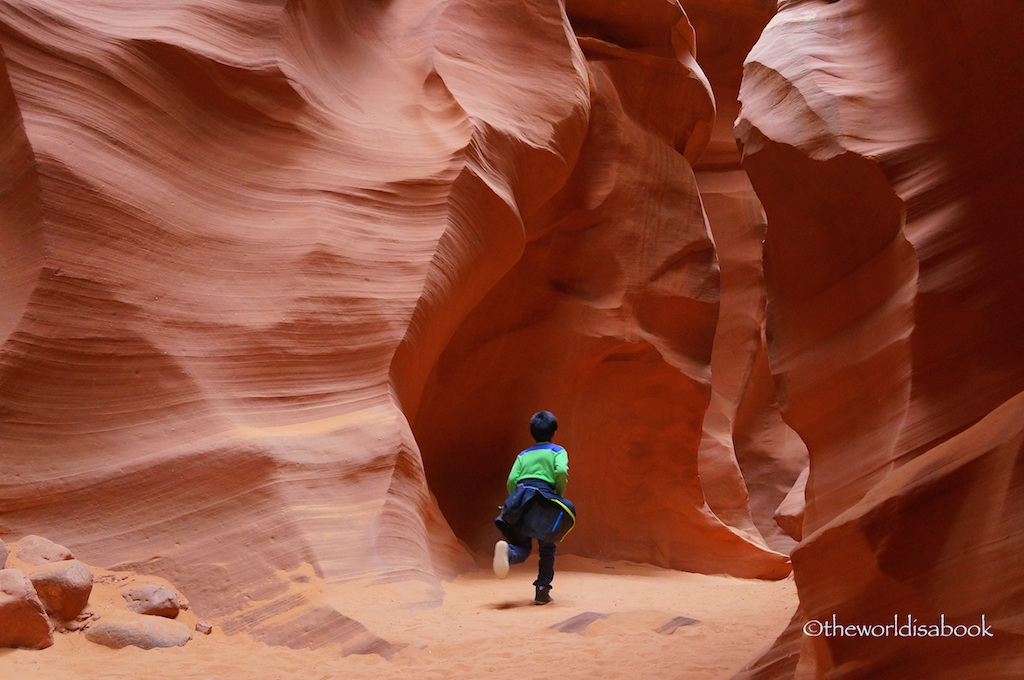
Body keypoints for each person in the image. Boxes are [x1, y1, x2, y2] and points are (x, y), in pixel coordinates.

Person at [492, 410, 571, 605]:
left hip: (521, 499)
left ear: (532, 432)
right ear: (554, 432)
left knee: (522, 546)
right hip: (544, 500)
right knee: (547, 548)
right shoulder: (557, 451)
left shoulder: (523, 454)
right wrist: (558, 494)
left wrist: (515, 497)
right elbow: (561, 471)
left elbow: (512, 479)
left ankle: (508, 553)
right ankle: (542, 592)